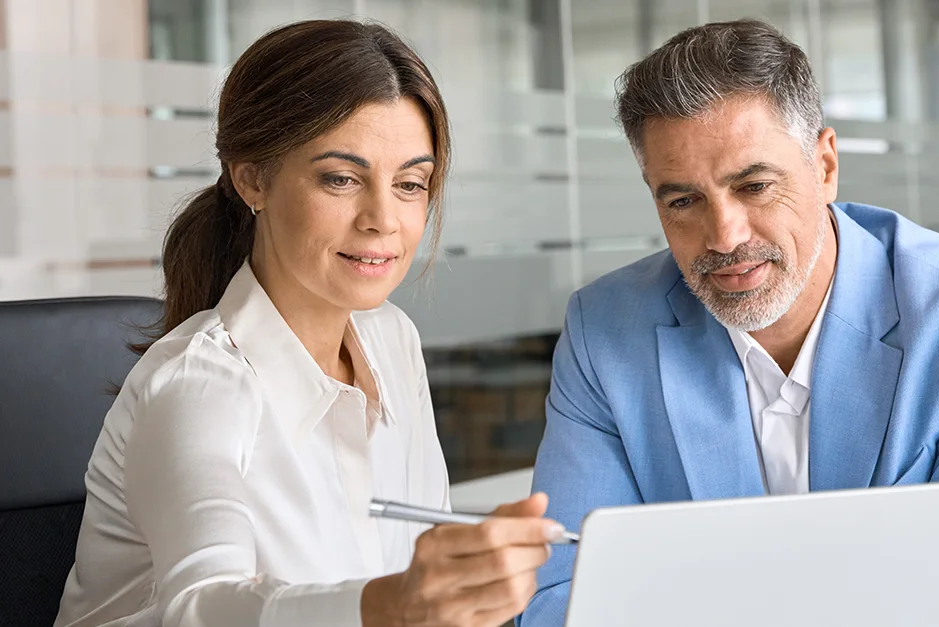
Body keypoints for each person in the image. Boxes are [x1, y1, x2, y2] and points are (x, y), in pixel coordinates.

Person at [519, 19, 939, 627]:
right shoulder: (604, 331)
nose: (725, 236)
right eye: (682, 201)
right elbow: (561, 599)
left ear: (826, 166)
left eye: (754, 186)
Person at [54, 20, 563, 627]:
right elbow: (200, 605)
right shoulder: (197, 385)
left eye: (410, 184)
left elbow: (421, 571)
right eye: (341, 179)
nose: (382, 219)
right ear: (253, 180)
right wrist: (390, 606)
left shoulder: (391, 339)